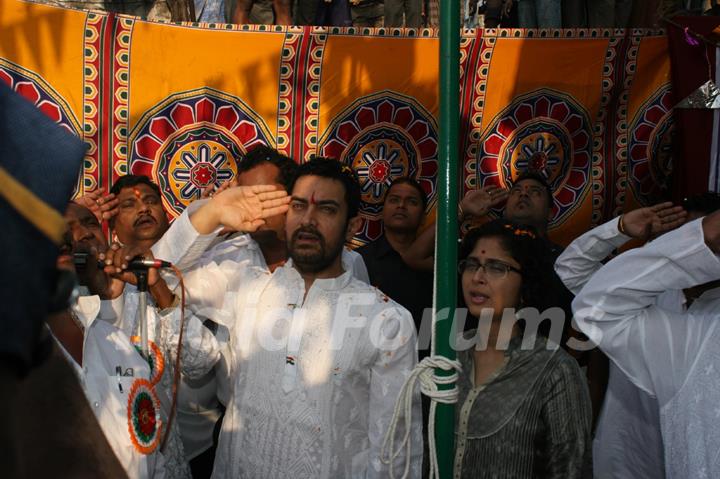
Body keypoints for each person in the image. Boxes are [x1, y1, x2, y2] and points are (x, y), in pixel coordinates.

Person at [174, 158, 422, 477]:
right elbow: (160, 274)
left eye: (327, 209)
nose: (308, 220)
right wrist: (212, 215)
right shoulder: (244, 287)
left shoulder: (388, 321)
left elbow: (395, 452)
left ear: (352, 226)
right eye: (299, 206)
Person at [573, 200, 720, 479]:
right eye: (687, 236)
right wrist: (620, 229)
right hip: (627, 454)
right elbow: (579, 281)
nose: (693, 246)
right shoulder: (650, 300)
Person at [454, 219, 592, 478]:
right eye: (472, 264)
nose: (477, 277)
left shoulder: (554, 370)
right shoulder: (449, 356)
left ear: (526, 285)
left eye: (496, 267)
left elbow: (571, 469)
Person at [358, 177, 433, 354]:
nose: (401, 206)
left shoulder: (436, 263)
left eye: (411, 202)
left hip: (427, 366)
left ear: (423, 217)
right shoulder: (361, 260)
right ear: (382, 211)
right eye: (394, 200)